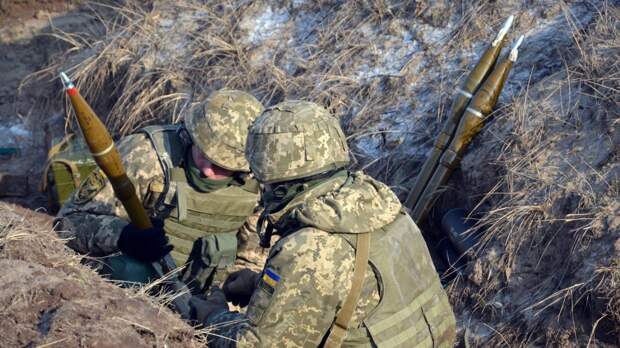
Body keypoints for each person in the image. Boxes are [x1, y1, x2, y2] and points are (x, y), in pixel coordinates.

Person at [199, 100, 456, 347]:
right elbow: (351, 297)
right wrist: (263, 288)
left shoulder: (309, 248)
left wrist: (212, 315)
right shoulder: (384, 209)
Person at [55, 89, 266, 295]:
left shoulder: (260, 180)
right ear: (193, 136)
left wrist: (240, 284)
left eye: (223, 166)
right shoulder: (147, 154)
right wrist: (123, 237)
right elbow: (67, 223)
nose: (208, 171)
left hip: (205, 300)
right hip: (129, 292)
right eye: (205, 155)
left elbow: (252, 258)